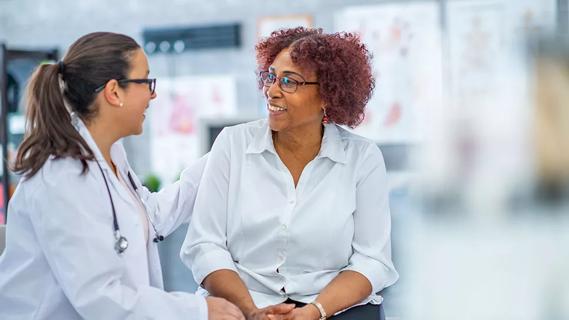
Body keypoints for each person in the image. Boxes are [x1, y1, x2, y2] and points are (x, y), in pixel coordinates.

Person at [0, 32, 243, 320]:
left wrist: (225, 153)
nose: (153, 94)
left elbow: (148, 216)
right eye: (146, 81)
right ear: (114, 92)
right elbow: (101, 297)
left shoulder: (111, 153)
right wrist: (198, 310)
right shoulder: (61, 176)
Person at [180, 27, 398, 320]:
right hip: (244, 303)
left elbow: (372, 260)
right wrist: (251, 311)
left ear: (328, 95)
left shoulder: (362, 157)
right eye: (271, 77)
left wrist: (314, 311)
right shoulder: (233, 144)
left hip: (333, 306)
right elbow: (204, 244)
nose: (272, 90)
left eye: (289, 81)